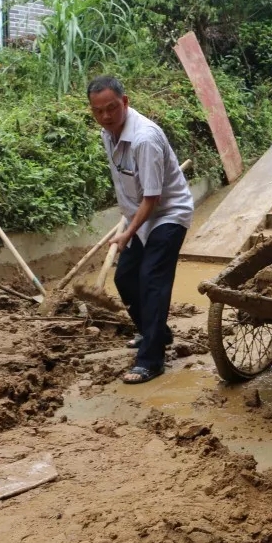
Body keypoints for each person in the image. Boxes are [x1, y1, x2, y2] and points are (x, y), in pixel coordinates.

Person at [87, 76, 194, 384]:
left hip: (168, 214)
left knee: (151, 280)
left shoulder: (144, 138)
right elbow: (128, 185)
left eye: (112, 108)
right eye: (98, 111)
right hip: (139, 216)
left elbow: (153, 197)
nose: (106, 116)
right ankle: (157, 333)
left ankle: (151, 359)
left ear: (125, 102)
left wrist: (127, 232)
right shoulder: (108, 133)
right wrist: (129, 222)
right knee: (125, 278)